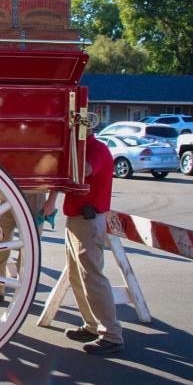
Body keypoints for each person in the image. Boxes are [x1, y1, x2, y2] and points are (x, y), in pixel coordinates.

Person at [53, 131, 123, 356]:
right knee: (77, 276)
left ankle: (111, 334)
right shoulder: (85, 149)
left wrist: (60, 165)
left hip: (89, 220)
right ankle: (92, 325)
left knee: (92, 276)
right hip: (78, 219)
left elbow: (85, 170)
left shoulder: (97, 150)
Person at [0, 192, 49, 304]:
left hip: (33, 193)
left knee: (29, 249)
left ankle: (25, 292)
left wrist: (52, 199)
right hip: (6, 193)